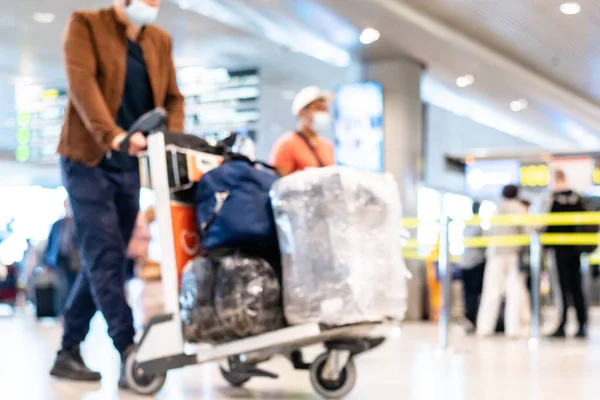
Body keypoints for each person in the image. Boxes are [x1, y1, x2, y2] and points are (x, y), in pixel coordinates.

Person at [50, 0, 184, 386]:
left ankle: (68, 351)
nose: (152, 4)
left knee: (103, 260)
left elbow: (173, 97)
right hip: (88, 159)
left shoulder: (159, 40)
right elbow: (82, 84)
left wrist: (168, 139)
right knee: (105, 256)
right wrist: (113, 135)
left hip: (129, 165)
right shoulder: (86, 25)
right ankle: (130, 351)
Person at [477, 185, 531, 339]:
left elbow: (486, 232)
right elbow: (527, 231)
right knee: (514, 292)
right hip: (513, 254)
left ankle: (484, 328)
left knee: (491, 291)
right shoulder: (520, 209)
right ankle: (513, 330)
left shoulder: (496, 208)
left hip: (495, 253)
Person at [546, 170, 588, 338]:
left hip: (560, 250)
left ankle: (562, 324)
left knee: (562, 289)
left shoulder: (553, 198)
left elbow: (547, 225)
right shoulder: (578, 198)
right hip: (576, 249)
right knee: (577, 287)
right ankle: (581, 324)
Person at [270, 86, 335, 176]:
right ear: (301, 112)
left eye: (325, 109)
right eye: (318, 108)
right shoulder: (287, 144)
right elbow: (278, 183)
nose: (322, 113)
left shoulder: (328, 146)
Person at [45, 200, 80, 311]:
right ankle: (63, 312)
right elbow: (50, 243)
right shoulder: (58, 224)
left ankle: (73, 311)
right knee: (62, 288)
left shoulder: (77, 222)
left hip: (74, 260)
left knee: (74, 288)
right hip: (59, 259)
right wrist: (47, 262)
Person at [459, 201, 486, 333]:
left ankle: (470, 318)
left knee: (468, 293)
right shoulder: (479, 225)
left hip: (465, 262)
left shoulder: (467, 224)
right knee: (475, 293)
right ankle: (472, 319)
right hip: (476, 263)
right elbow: (483, 245)